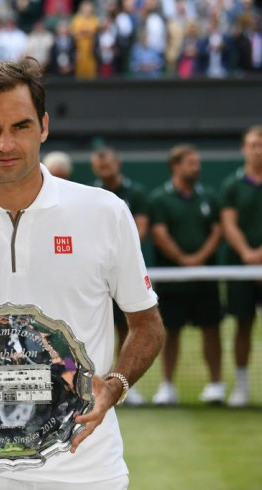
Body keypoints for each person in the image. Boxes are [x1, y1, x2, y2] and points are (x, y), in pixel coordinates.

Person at [0, 59, 164, 489]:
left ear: (43, 127)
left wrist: (113, 385)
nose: (6, 144)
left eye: (20, 126)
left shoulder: (106, 213)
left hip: (91, 471)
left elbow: (146, 324)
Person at [149, 145, 224, 405]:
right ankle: (167, 386)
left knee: (212, 329)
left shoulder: (210, 197)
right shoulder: (160, 198)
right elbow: (159, 233)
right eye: (191, 163)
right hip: (173, 281)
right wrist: (182, 260)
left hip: (205, 278)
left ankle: (216, 385)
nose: (197, 167)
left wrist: (199, 259)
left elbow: (217, 230)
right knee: (170, 331)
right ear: (176, 166)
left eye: (198, 163)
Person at [91, 145, 149, 405]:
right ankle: (96, 383)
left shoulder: (136, 193)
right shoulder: (89, 196)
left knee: (130, 327)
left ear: (118, 162)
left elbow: (140, 231)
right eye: (99, 166)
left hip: (126, 272)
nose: (104, 169)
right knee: (98, 329)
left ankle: (126, 383)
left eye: (107, 164)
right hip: (97, 276)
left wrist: (117, 258)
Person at [220, 125, 262, 408]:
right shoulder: (231, 186)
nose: (257, 150)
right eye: (253, 145)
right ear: (244, 149)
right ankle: (242, 388)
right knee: (242, 326)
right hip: (240, 268)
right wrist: (248, 253)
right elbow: (228, 222)